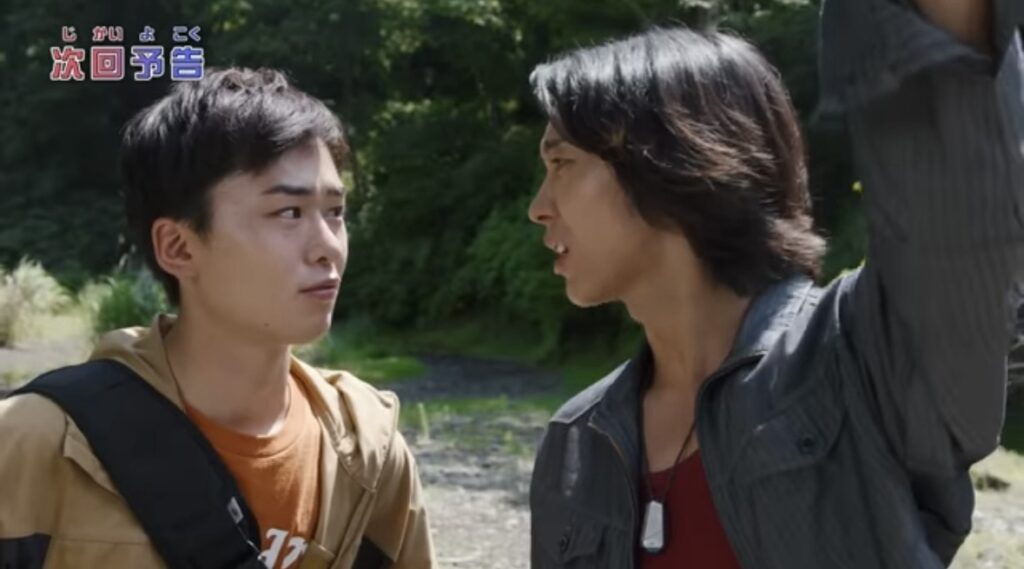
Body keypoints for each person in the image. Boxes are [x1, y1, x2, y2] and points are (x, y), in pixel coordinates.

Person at [526, 0, 1023, 567]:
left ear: (665, 158)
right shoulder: (575, 441)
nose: (538, 207)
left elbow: (963, 193)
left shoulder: (864, 355)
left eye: (561, 164)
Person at [0, 67, 434, 569]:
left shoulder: (369, 451)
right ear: (178, 247)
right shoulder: (35, 444)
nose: (327, 247)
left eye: (335, 212)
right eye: (289, 213)